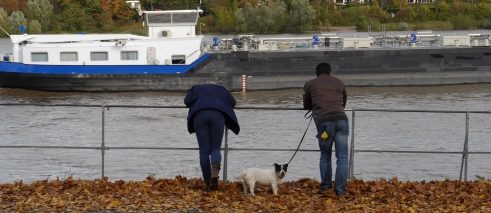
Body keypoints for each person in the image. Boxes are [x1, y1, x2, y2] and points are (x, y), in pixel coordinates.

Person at [303, 62, 349, 197]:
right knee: (342, 157)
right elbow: (343, 102)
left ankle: (326, 187)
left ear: (317, 72)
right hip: (342, 121)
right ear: (330, 71)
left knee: (325, 155)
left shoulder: (311, 84)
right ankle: (340, 190)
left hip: (325, 124)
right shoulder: (339, 82)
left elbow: (306, 105)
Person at [184, 83, 240, 191]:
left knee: (203, 151)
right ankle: (215, 173)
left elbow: (187, 101)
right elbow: (233, 102)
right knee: (216, 148)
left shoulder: (196, 88)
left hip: (199, 115)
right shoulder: (222, 89)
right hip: (217, 115)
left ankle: (207, 182)